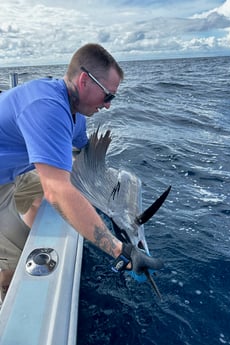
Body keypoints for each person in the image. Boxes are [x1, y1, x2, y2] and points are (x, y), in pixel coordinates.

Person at [0, 43, 163, 302]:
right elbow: (57, 191)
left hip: (17, 168)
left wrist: (113, 199)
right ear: (85, 80)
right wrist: (120, 250)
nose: (108, 105)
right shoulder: (48, 107)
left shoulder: (75, 115)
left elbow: (85, 159)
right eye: (108, 96)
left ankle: (31, 220)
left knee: (59, 183)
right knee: (14, 262)